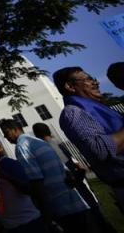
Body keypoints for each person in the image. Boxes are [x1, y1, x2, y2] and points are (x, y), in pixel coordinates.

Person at [0, 119, 95, 233]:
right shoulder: (38, 141)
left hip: (60, 206)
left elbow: (36, 182)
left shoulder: (22, 146)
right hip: (74, 201)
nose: (5, 136)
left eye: (6, 132)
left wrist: (46, 216)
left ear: (15, 130)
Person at [53, 66, 124, 212]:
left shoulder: (98, 108)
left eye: (94, 79)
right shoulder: (73, 112)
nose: (95, 83)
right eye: (88, 79)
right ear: (70, 86)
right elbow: (101, 150)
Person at [0, 134, 46, 233]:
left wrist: (5, 176)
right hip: (9, 227)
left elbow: (27, 189)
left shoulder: (9, 163)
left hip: (30, 222)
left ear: (0, 148)